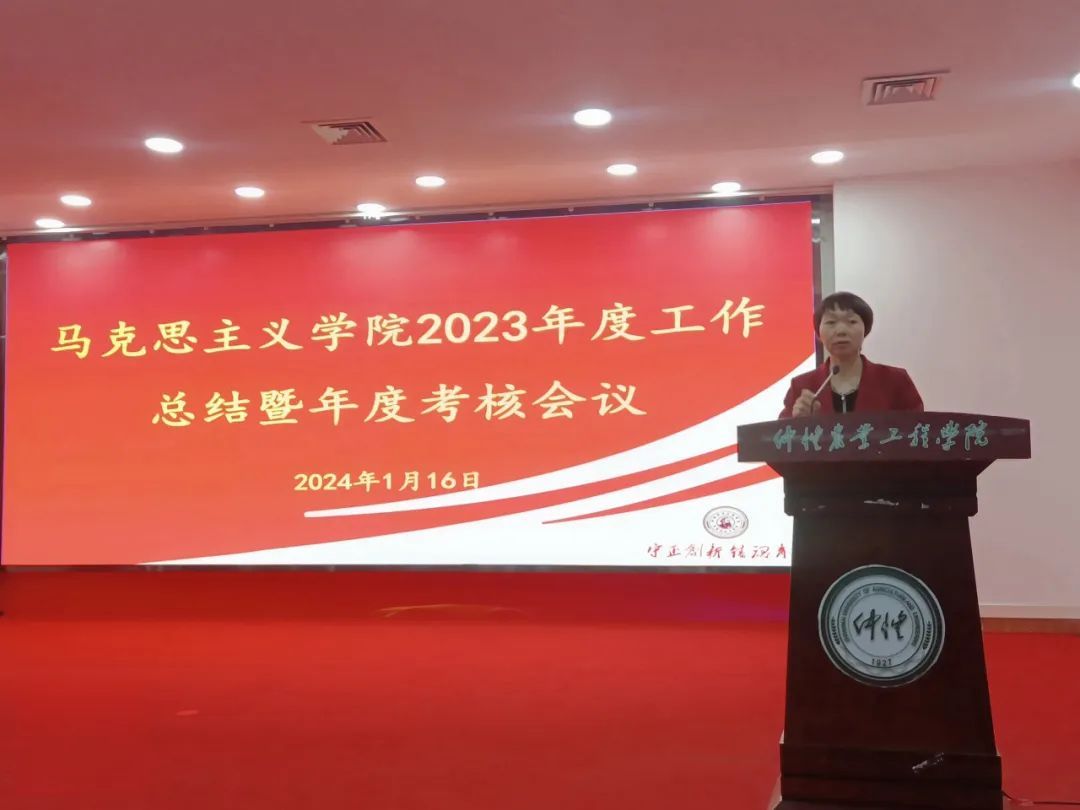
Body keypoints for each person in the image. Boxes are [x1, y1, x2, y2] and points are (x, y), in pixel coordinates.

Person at [780, 292, 923, 418]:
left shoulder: (895, 381)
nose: (841, 330)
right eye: (831, 322)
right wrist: (799, 421)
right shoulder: (802, 386)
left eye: (852, 321)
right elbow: (780, 436)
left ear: (865, 329)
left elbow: (918, 430)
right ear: (818, 332)